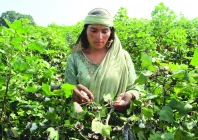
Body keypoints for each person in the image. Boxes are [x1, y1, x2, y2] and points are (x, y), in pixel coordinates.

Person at [64, 8, 139, 111]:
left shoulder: (123, 56)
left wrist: (130, 95)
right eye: (94, 31)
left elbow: (134, 88)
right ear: (86, 31)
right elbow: (68, 90)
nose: (99, 37)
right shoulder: (74, 59)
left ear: (111, 33)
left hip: (116, 121)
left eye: (104, 31)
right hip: (82, 122)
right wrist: (72, 91)